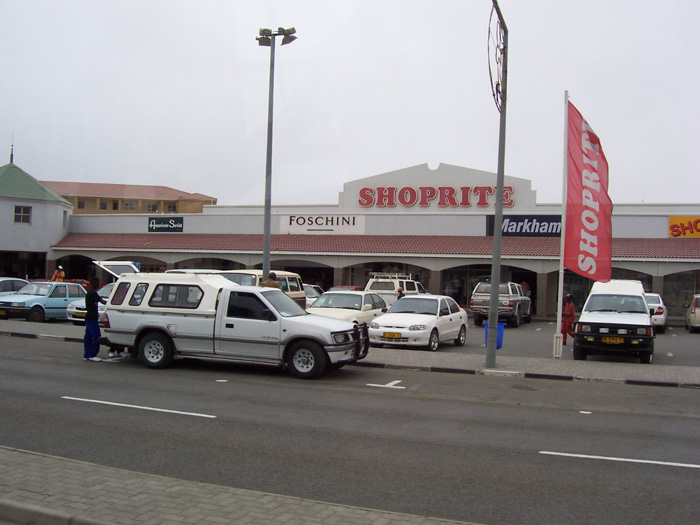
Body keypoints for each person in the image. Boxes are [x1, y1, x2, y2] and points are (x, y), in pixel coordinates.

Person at [83, 277, 106, 362]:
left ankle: (87, 354)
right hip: (92, 318)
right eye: (98, 283)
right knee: (96, 336)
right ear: (94, 283)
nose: (99, 285)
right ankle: (93, 355)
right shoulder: (93, 293)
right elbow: (102, 301)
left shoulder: (89, 292)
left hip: (89, 317)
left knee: (88, 337)